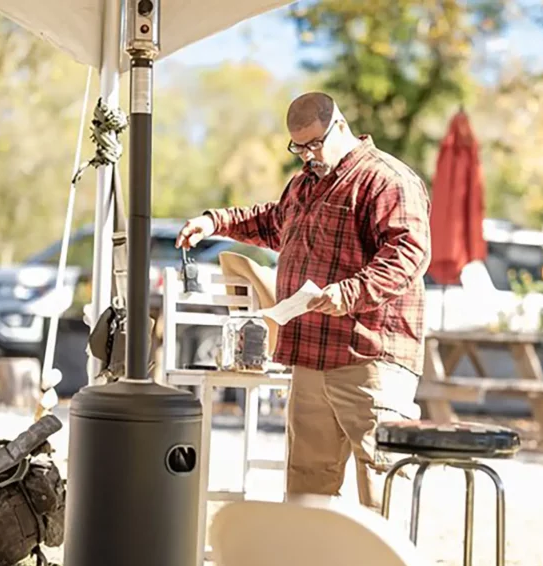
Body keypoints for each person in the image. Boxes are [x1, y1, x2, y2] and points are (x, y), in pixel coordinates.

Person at [176, 92, 431, 510]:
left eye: (315, 143)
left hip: (371, 356)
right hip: (311, 355)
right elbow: (272, 221)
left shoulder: (386, 178)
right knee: (306, 489)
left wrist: (348, 293)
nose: (307, 155)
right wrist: (214, 221)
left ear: (342, 127)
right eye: (299, 147)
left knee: (382, 483)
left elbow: (408, 253)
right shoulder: (304, 185)